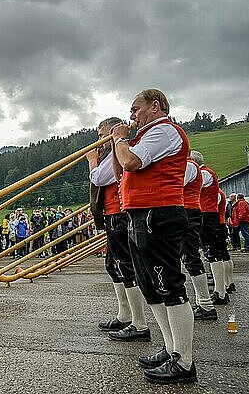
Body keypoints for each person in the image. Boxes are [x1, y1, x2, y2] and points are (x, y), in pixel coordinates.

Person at [111, 89, 196, 384]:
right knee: (150, 287)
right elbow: (120, 168)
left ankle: (184, 362)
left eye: (136, 108)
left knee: (169, 286)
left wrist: (120, 140)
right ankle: (171, 348)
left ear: (155, 106)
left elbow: (132, 163)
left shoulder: (165, 131)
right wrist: (115, 144)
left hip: (159, 214)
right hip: (140, 215)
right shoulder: (144, 136)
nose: (132, 114)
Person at [87, 117, 150, 342]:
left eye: (102, 134)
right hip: (113, 215)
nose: (99, 140)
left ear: (113, 131)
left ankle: (139, 323)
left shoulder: (120, 148)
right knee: (114, 266)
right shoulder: (114, 150)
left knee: (125, 266)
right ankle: (125, 315)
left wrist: (92, 161)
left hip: (119, 214)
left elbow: (100, 178)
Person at [190, 151, 230, 305]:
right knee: (211, 251)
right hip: (206, 214)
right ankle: (220, 290)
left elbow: (195, 186)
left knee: (213, 251)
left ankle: (220, 292)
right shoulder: (206, 173)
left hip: (207, 215)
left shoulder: (205, 173)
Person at [182, 153, 216, 319]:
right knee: (189, 256)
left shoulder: (188, 166)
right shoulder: (190, 166)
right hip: (189, 211)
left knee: (190, 256)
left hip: (188, 212)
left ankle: (206, 304)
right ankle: (204, 302)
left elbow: (175, 184)